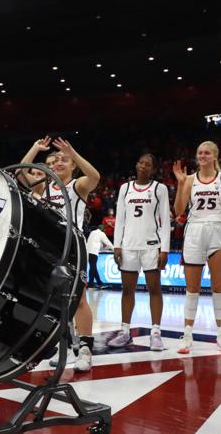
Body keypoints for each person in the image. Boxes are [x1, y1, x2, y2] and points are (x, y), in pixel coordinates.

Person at [21, 136, 101, 372]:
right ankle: (66, 346)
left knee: (79, 301)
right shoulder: (44, 186)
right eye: (56, 159)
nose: (59, 163)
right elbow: (21, 174)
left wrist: (73, 152)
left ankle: (86, 349)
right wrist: (35, 149)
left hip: (73, 247)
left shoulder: (77, 186)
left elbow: (95, 177)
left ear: (73, 165)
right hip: (50, 249)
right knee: (57, 302)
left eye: (64, 160)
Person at [173, 141, 221, 354]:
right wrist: (181, 184)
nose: (202, 155)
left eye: (207, 153)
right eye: (199, 152)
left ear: (215, 156)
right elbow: (178, 210)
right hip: (194, 230)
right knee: (192, 288)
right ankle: (187, 335)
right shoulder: (190, 179)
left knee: (218, 287)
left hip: (218, 230)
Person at [107, 152, 171, 350]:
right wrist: (116, 245)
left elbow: (165, 221)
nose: (143, 166)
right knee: (127, 290)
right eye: (141, 162)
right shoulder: (125, 188)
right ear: (136, 165)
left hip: (151, 245)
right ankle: (125, 331)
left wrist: (165, 249)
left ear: (153, 169)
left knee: (154, 289)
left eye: (148, 164)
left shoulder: (159, 189)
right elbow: (120, 219)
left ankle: (156, 333)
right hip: (128, 246)